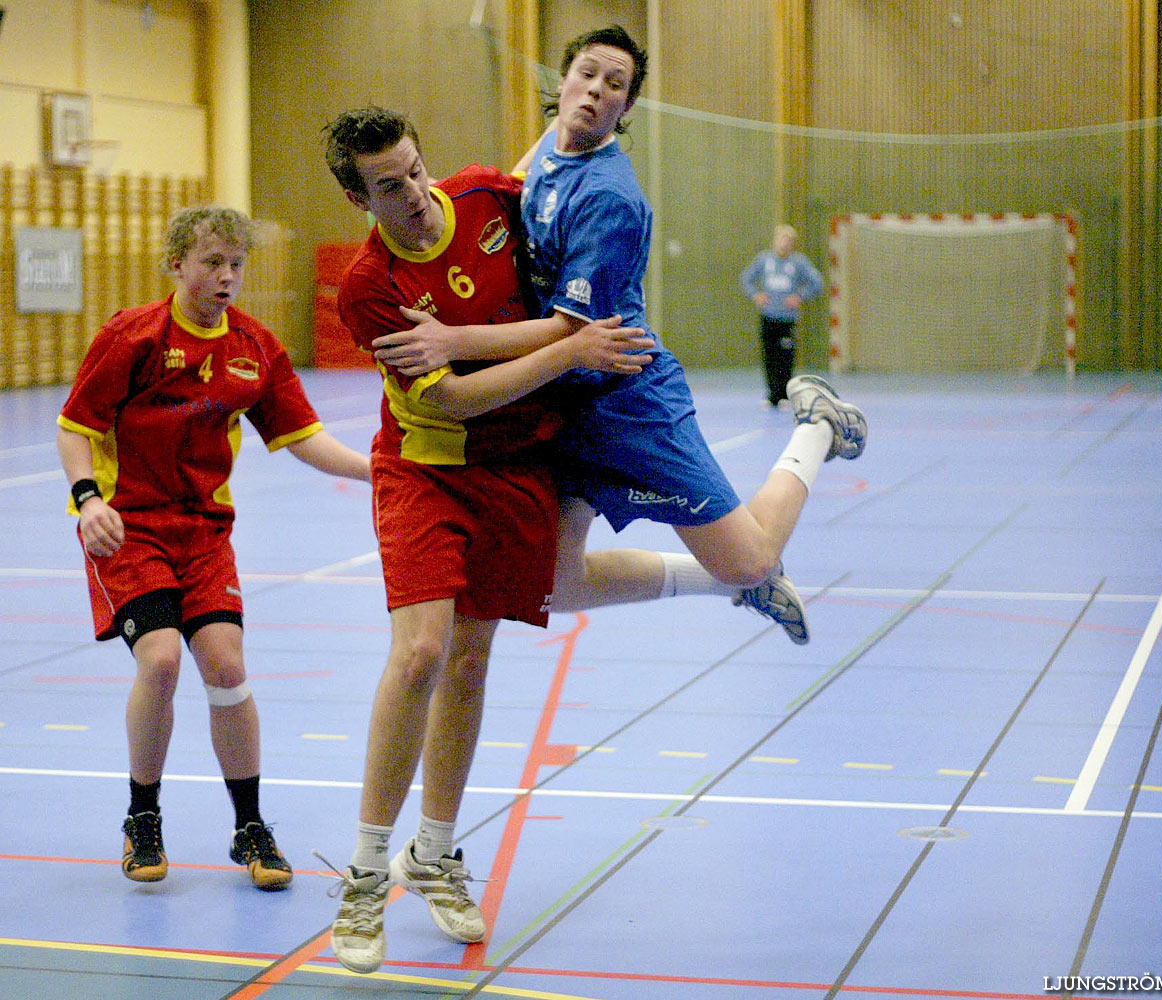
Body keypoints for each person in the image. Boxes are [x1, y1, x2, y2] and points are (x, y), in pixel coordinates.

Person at [371, 25, 867, 653]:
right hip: (562, 406)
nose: (596, 90)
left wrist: (452, 342)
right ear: (563, 81)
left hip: (624, 401)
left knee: (750, 556)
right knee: (549, 584)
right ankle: (724, 586)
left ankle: (816, 426)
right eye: (586, 73)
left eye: (615, 85)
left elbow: (569, 334)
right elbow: (505, 194)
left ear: (626, 108)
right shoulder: (552, 145)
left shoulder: (610, 197)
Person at [316, 106, 655, 975]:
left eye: (415, 170)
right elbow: (450, 400)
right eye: (389, 187)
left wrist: (587, 115)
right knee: (421, 653)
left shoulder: (482, 198)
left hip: (514, 469)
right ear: (360, 197)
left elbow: (554, 190)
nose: (415, 195)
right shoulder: (369, 285)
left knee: (469, 661)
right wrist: (570, 349)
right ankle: (362, 875)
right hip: (427, 468)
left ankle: (432, 852)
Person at [55, 206, 372, 890]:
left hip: (204, 532)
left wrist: (375, 468)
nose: (227, 277)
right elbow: (74, 426)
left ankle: (250, 826)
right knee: (163, 659)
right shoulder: (132, 337)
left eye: (236, 265)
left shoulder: (253, 347)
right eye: (212, 263)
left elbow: (302, 438)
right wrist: (89, 501)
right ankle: (143, 817)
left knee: (225, 667)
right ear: (177, 265)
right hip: (128, 528)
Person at [739, 223, 824, 408]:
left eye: (787, 241)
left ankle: (784, 394)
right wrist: (756, 294)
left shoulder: (798, 262)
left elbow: (816, 282)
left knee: (785, 357)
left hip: (787, 318)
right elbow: (746, 278)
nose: (783, 244)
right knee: (769, 356)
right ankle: (771, 395)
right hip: (768, 316)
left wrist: (800, 296)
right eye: (780, 239)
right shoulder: (764, 260)